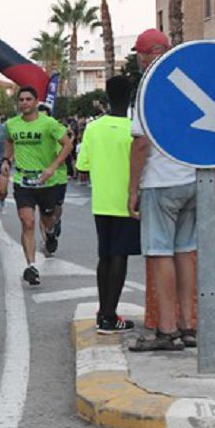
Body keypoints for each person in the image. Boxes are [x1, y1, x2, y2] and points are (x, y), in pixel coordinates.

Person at [128, 28, 197, 351]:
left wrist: (132, 189)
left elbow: (140, 143)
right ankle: (188, 326)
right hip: (193, 179)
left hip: (160, 180)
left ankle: (167, 330)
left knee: (160, 253)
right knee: (185, 251)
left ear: (144, 56)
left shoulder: (148, 85)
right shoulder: (187, 80)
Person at [75, 76, 139, 335]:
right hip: (127, 201)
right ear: (131, 96)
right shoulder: (134, 129)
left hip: (100, 201)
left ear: (107, 96)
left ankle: (104, 311)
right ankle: (110, 317)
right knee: (120, 256)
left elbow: (82, 166)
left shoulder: (93, 128)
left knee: (104, 256)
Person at [4, 87, 73, 286]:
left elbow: (67, 145)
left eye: (28, 99)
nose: (24, 103)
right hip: (23, 181)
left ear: (36, 102)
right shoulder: (12, 124)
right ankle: (31, 266)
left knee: (47, 220)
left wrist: (52, 167)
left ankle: (50, 233)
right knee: (27, 222)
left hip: (47, 181)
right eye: (21, 100)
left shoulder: (49, 123)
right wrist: (7, 160)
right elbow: (9, 142)